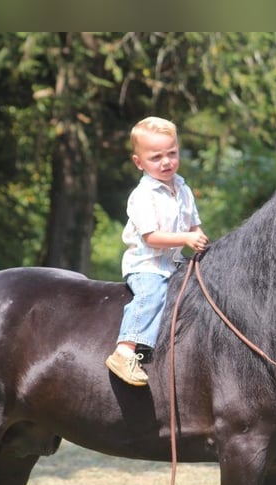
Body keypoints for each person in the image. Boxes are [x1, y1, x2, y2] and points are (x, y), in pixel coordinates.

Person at [106, 116, 208, 386]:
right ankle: (125, 350)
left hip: (174, 264)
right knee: (151, 296)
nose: (166, 162)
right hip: (147, 265)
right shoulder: (142, 196)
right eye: (156, 157)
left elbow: (193, 223)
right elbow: (151, 237)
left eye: (172, 153)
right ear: (139, 162)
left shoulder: (183, 189)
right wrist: (186, 237)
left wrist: (198, 236)